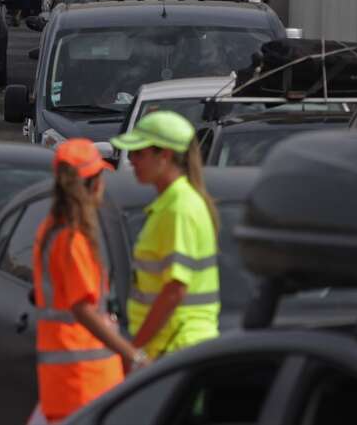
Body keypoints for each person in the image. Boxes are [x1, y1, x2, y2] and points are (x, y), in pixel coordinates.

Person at [31, 139, 146, 424]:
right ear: (93, 184)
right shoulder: (73, 238)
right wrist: (133, 354)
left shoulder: (52, 230)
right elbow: (83, 309)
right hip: (86, 383)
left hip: (67, 384)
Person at [110, 110, 220, 359]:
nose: (132, 160)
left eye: (140, 153)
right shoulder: (174, 203)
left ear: (166, 155)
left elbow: (175, 290)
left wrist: (134, 350)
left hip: (175, 346)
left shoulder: (178, 207)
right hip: (173, 345)